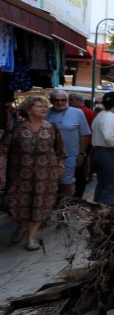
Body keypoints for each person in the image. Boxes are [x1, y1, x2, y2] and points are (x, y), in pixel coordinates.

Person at [0, 96, 65, 250]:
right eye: (39, 106)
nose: (44, 109)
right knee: (16, 203)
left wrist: (60, 167)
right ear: (28, 110)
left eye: (44, 106)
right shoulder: (16, 128)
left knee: (39, 205)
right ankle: (22, 227)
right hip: (19, 175)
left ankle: (31, 238)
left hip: (45, 176)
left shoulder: (52, 128)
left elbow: (60, 151)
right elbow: (2, 151)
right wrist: (0, 170)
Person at [44, 89, 89, 200]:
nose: (60, 103)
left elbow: (84, 135)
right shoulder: (46, 113)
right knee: (49, 183)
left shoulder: (77, 112)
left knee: (65, 183)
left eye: (63, 100)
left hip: (70, 154)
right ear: (51, 101)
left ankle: (65, 209)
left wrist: (81, 154)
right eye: (56, 100)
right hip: (48, 155)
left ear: (67, 100)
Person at [91, 91, 114, 204]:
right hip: (110, 152)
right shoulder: (112, 117)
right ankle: (105, 212)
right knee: (111, 185)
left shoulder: (100, 115)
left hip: (100, 151)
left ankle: (98, 210)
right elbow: (109, 136)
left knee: (102, 183)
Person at [68, 93, 96, 197]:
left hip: (81, 142)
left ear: (76, 100)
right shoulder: (89, 111)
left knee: (79, 168)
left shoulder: (78, 112)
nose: (69, 103)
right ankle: (79, 191)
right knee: (82, 167)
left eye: (70, 100)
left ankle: (78, 192)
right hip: (89, 141)